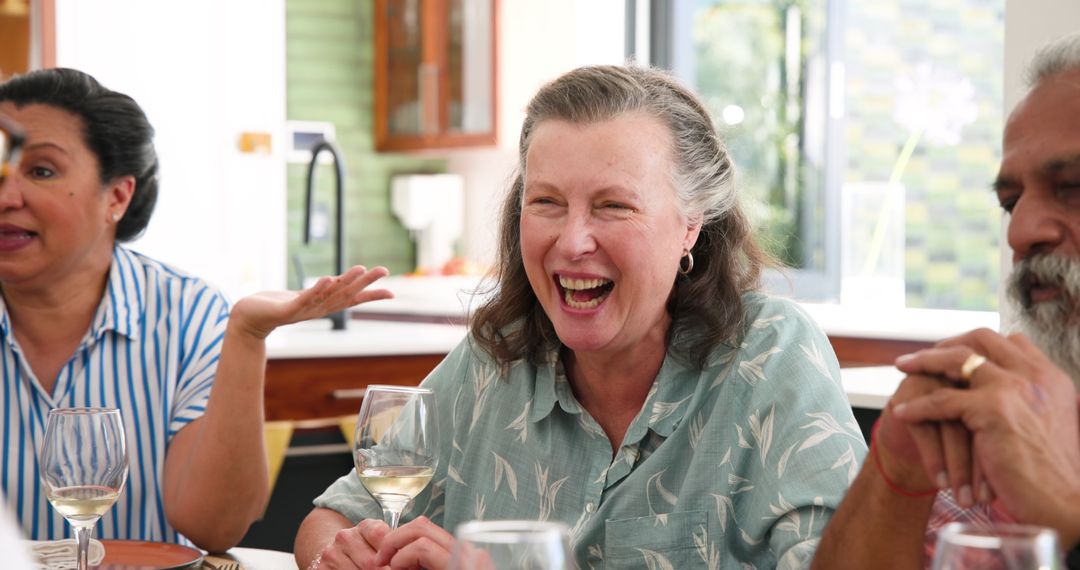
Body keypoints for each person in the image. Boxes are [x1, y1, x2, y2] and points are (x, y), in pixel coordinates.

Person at [295, 64, 864, 570]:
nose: (572, 242)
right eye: (546, 202)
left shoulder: (770, 354)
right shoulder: (497, 357)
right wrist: (346, 554)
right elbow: (335, 517)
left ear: (690, 224)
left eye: (613, 206)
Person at [0, 68, 393, 552]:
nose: (6, 195)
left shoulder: (185, 314)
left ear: (117, 196)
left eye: (41, 171)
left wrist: (247, 335)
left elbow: (214, 526)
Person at [812, 32, 1080, 569]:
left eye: (1072, 186)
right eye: (1010, 203)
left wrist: (1063, 508)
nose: (1020, 232)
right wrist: (896, 470)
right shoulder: (1014, 413)